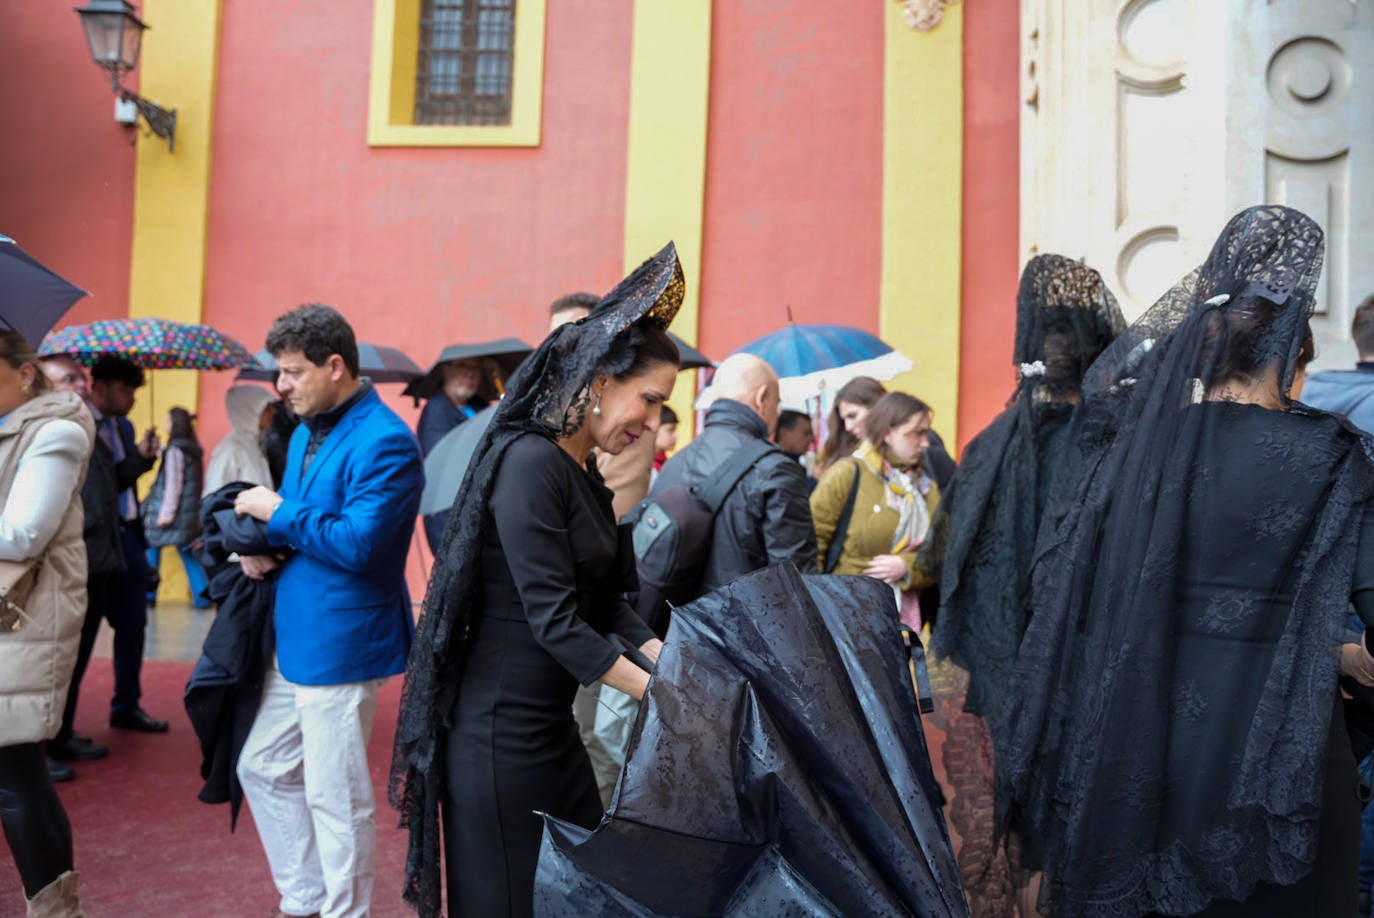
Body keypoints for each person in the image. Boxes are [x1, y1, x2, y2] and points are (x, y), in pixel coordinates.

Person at [1001, 206, 1374, 917]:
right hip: (1284, 769)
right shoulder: (1333, 458)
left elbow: (1063, 612)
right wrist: (1349, 658)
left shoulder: (1132, 460)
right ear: (1295, 353)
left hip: (1137, 753)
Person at [392, 244, 683, 918]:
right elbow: (555, 622)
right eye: (650, 399)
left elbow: (608, 601)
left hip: (548, 734)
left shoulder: (581, 472)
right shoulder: (529, 464)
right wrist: (663, 695)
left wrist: (673, 663)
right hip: (499, 743)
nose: (654, 421)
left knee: (581, 893)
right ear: (600, 381)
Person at [921, 254, 1123, 917]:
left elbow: (940, 567)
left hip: (992, 682)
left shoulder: (987, 446)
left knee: (1006, 835)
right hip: (1087, 682)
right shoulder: (1121, 445)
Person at [232, 303, 424, 918]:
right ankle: (305, 898)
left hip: (345, 638)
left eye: (290, 372)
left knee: (336, 797)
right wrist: (263, 549)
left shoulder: (387, 439)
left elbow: (361, 545)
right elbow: (306, 518)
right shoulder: (307, 428)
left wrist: (272, 514)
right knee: (260, 767)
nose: (280, 386)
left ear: (334, 366)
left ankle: (343, 911)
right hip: (299, 632)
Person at [0, 333, 94, 918]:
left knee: (15, 772)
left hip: (22, 620)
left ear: (26, 374)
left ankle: (55, 911)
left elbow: (26, 531)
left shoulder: (54, 433)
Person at [49, 355, 167, 757]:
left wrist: (143, 458)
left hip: (128, 540)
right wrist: (137, 462)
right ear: (100, 387)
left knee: (134, 626)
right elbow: (93, 489)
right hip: (93, 544)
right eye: (124, 389)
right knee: (77, 640)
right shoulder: (75, 426)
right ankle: (57, 731)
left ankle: (126, 705)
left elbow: (116, 484)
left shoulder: (124, 426)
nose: (131, 398)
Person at [651, 352, 818, 597]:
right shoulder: (775, 469)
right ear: (762, 398)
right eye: (777, 403)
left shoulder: (674, 464)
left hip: (674, 630)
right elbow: (797, 583)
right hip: (746, 629)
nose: (777, 413)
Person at [811, 392, 940, 627]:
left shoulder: (926, 487)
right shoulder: (847, 473)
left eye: (926, 432)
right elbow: (811, 545)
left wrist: (907, 566)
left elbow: (943, 550)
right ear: (888, 433)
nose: (925, 443)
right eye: (917, 433)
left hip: (901, 624)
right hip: (844, 618)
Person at [817, 376, 957, 488]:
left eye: (853, 415)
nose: (848, 426)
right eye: (844, 420)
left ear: (876, 406)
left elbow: (950, 492)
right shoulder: (851, 459)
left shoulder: (925, 442)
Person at [415, 356, 491, 551]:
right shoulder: (437, 411)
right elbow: (445, 463)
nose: (470, 374)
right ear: (445, 371)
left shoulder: (478, 406)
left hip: (480, 512)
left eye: (476, 368)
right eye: (463, 366)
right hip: (450, 519)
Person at [142, 407, 209, 610]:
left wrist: (165, 515)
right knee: (187, 552)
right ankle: (203, 596)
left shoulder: (175, 450)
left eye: (168, 420)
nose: (166, 424)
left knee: (152, 548)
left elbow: (174, 484)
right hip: (187, 516)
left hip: (171, 514)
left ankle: (149, 593)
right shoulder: (190, 449)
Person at [202, 384, 274, 495]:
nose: (273, 412)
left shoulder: (255, 444)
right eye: (267, 409)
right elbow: (214, 495)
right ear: (249, 410)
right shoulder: (231, 448)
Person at [651, 403, 678, 479]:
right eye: (671, 430)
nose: (676, 436)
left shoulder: (667, 464)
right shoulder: (642, 466)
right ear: (653, 429)